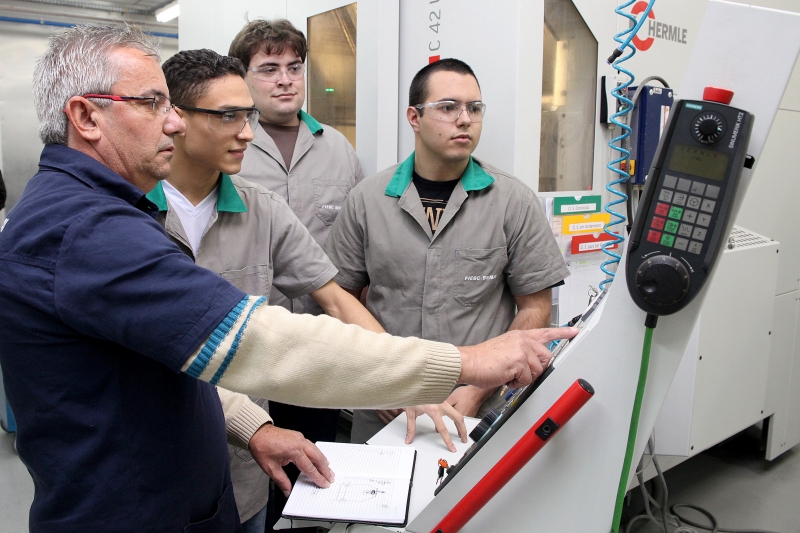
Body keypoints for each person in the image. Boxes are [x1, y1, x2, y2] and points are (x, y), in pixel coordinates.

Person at [0, 26, 575, 532]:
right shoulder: (90, 230)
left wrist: (252, 427)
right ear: (86, 116)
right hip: (135, 511)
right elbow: (252, 339)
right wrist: (463, 362)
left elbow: (174, 353)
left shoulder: (111, 214)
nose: (171, 121)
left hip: (194, 496)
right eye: (153, 103)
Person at [156, 48, 388, 532]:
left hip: (243, 470)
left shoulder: (261, 211)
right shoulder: (129, 212)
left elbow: (335, 297)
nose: (247, 131)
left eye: (249, 116)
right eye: (228, 116)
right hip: (159, 464)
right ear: (174, 117)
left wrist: (402, 372)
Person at [325, 58, 572, 445]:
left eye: (474, 109)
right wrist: (382, 383)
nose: (464, 120)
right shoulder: (367, 201)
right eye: (448, 107)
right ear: (414, 117)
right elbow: (339, 299)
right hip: (386, 409)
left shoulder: (513, 201)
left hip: (479, 409)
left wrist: (477, 389)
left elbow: (534, 308)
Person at [228, 19, 364, 524]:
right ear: (242, 78)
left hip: (319, 350)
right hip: (249, 353)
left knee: (315, 476)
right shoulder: (230, 150)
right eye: (268, 69)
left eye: (294, 67)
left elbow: (353, 253)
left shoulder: (339, 151)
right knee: (251, 477)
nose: (285, 79)